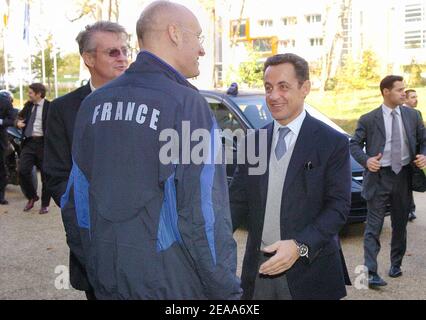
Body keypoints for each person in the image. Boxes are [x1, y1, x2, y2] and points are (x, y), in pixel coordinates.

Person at [64, 0, 241, 300]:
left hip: (110, 281)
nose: (202, 49)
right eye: (198, 37)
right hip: (174, 286)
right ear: (174, 33)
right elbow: (203, 215)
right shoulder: (187, 104)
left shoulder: (92, 104)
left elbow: (75, 205)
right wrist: (225, 289)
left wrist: (98, 268)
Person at [230, 53, 352, 300]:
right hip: (260, 272)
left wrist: (299, 246)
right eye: (268, 88)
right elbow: (236, 204)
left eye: (283, 87)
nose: (273, 96)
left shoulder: (332, 143)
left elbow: (338, 207)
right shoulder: (253, 142)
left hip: (312, 271)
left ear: (304, 88)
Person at [44, 21, 129, 300]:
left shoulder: (148, 102)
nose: (123, 58)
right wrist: (86, 216)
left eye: (125, 50)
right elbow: (56, 175)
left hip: (148, 242)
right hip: (93, 240)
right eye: (113, 52)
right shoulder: (63, 109)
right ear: (89, 59)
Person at [350, 76, 426, 288]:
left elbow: (423, 140)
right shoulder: (368, 119)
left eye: (404, 89)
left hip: (403, 177)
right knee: (373, 227)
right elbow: (354, 144)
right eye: (399, 90)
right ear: (385, 92)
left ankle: (396, 264)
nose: (404, 93)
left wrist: (423, 155)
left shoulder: (413, 115)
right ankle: (371, 272)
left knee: (400, 225)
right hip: (378, 178)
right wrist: (366, 161)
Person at [16, 83, 51, 214]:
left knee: (46, 176)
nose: (28, 95)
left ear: (38, 94)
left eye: (31, 92)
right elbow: (18, 117)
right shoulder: (28, 106)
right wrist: (17, 123)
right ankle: (32, 196)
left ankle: (45, 204)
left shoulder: (50, 107)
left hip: (43, 144)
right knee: (22, 171)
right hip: (29, 143)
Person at [404, 89, 423, 221]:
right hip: (404, 154)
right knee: (404, 183)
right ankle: (408, 209)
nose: (415, 99)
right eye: (412, 97)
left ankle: (410, 209)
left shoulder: (417, 113)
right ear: (405, 99)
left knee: (409, 183)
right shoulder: (399, 113)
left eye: (416, 97)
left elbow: (421, 135)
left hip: (415, 155)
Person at [0, 90, 16, 205]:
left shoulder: (5, 102)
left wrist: (0, 121)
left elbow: (12, 120)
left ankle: (1, 196)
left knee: (1, 168)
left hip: (0, 140)